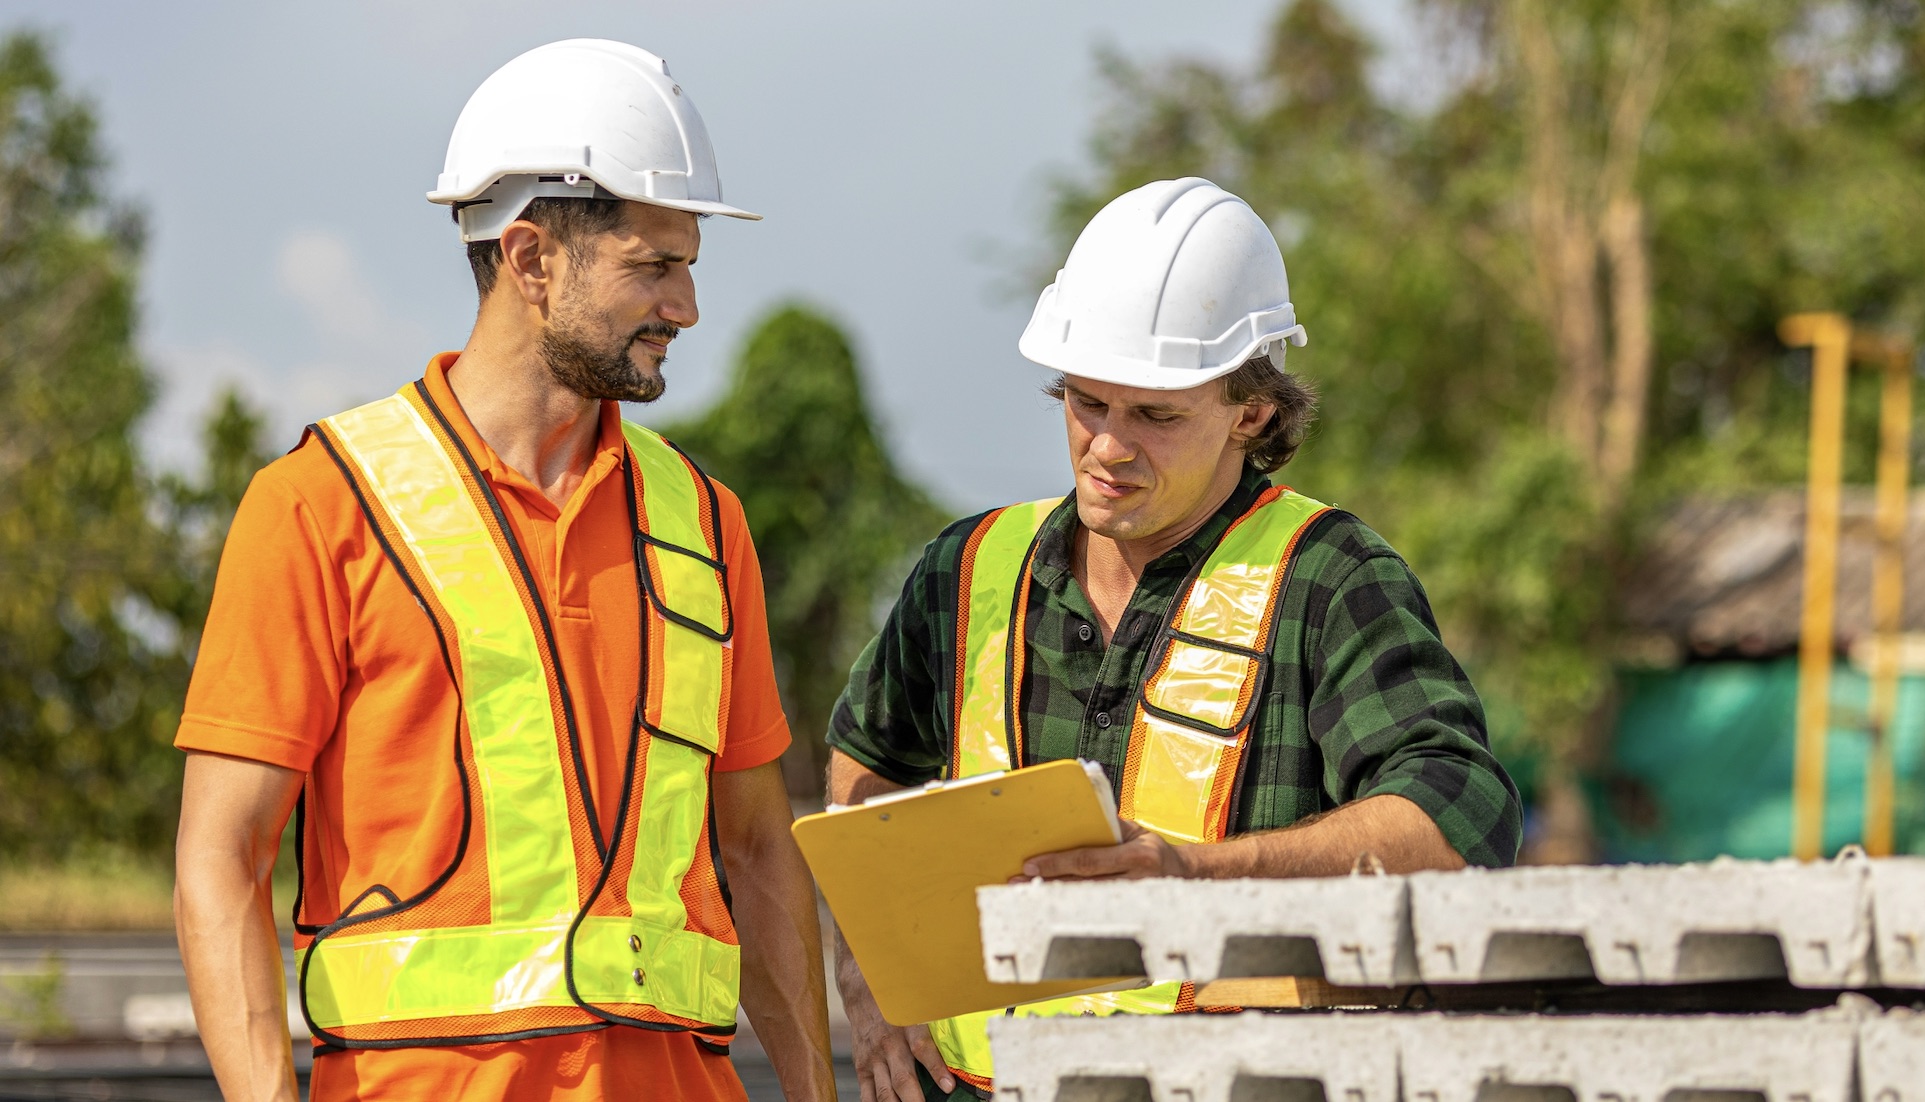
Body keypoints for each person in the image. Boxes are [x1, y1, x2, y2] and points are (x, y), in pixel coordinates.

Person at [172, 40, 834, 1102]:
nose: (688, 307)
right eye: (652, 265)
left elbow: (755, 849)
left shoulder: (706, 523)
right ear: (530, 259)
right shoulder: (318, 504)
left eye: (690, 264)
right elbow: (221, 858)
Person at [826, 177, 1523, 1102]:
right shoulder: (966, 571)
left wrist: (1196, 876)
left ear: (1253, 413)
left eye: (1155, 415)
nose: (1108, 449)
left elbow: (1460, 817)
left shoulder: (1328, 578)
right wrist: (871, 977)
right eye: (1085, 404)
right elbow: (865, 763)